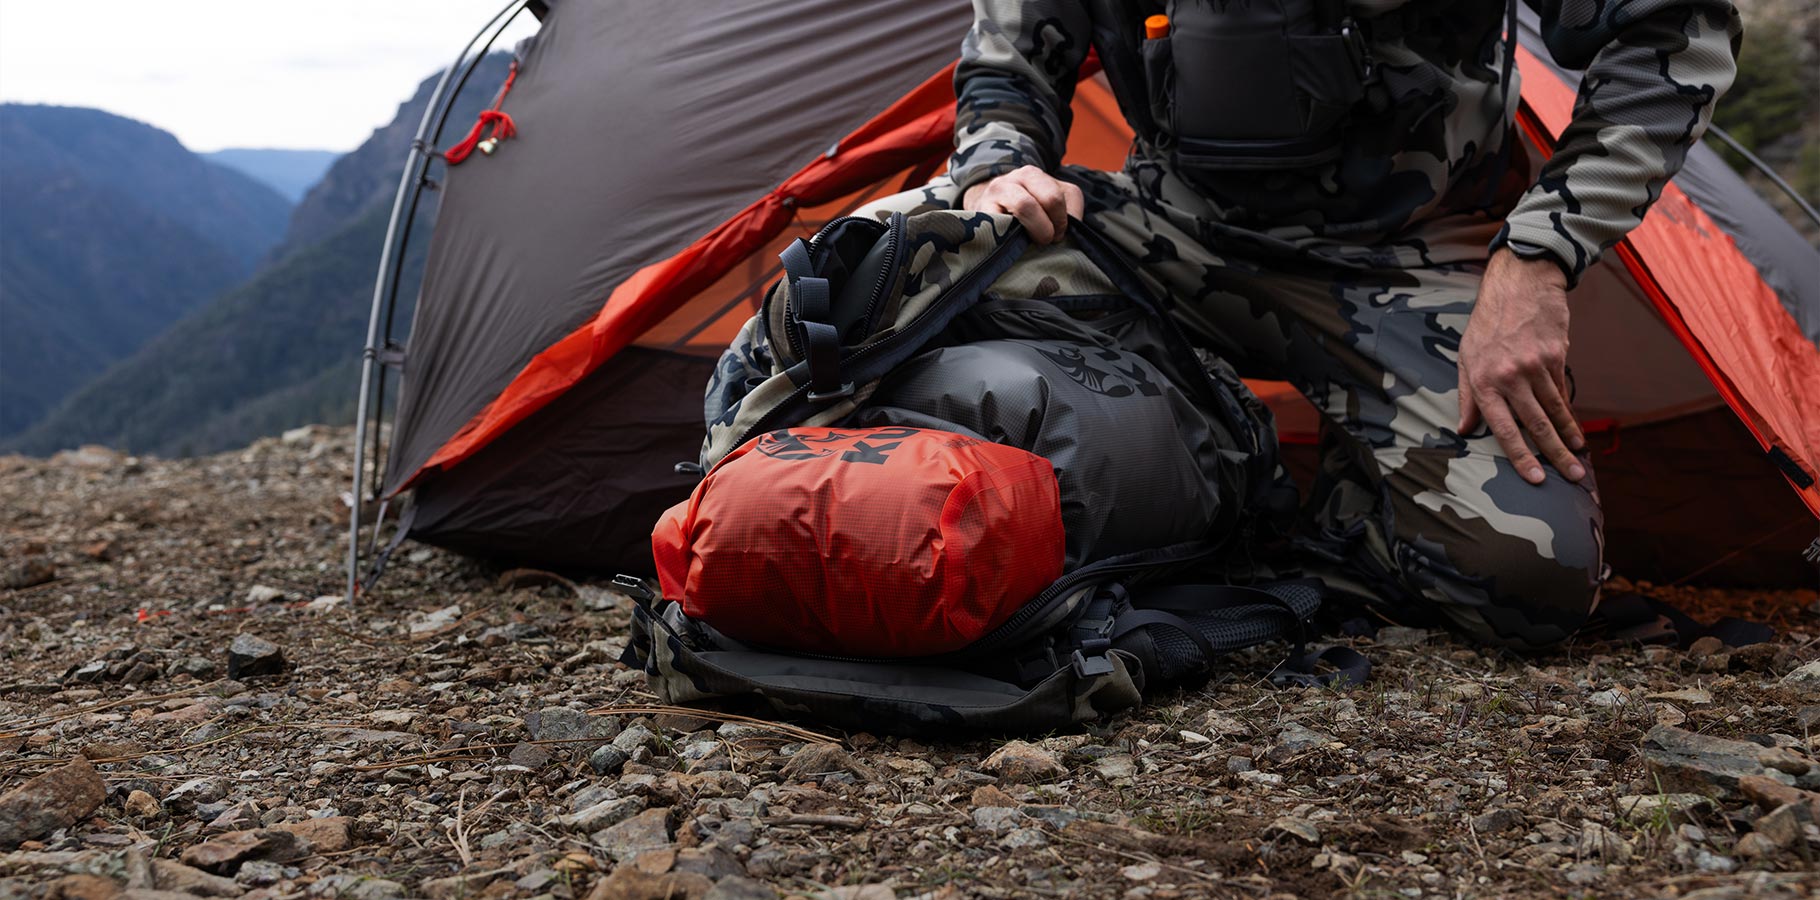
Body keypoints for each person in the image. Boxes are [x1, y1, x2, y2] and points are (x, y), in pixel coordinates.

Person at [854, 0, 1741, 649]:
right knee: (896, 256)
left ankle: (1314, 525)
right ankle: (810, 492)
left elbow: (1677, 27)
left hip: (1402, 255)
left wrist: (1540, 257)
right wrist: (1000, 163)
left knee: (1528, 578)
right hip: (1170, 230)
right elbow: (1010, 63)